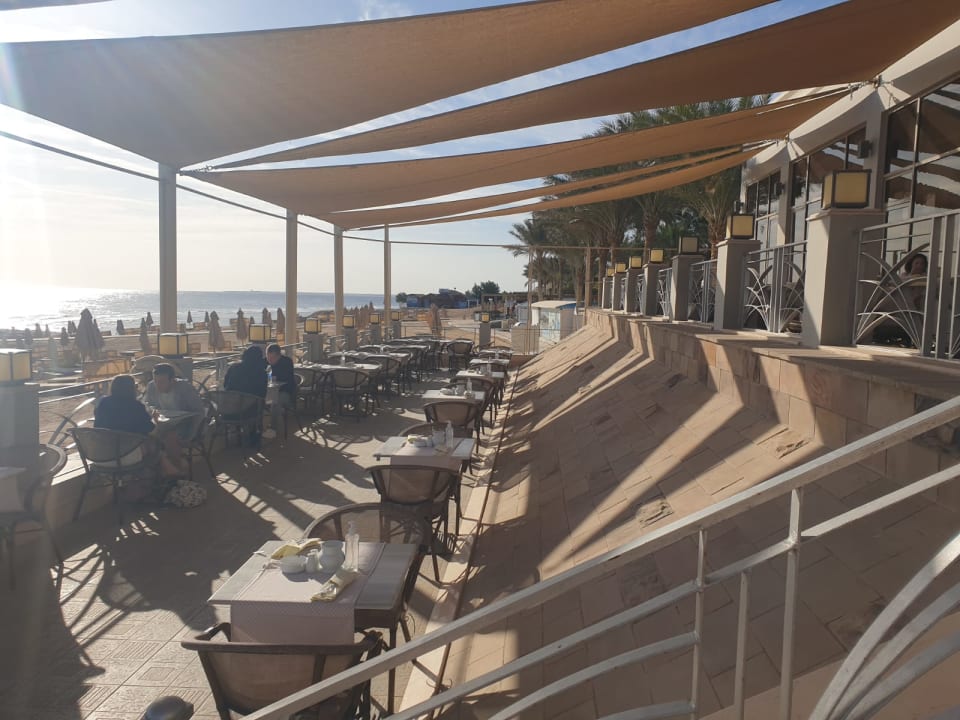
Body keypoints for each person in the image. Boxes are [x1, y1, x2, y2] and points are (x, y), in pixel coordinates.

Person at [94, 375, 205, 506]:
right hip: (123, 457)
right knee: (155, 443)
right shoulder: (135, 406)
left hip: (100, 456)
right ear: (131, 389)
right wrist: (156, 420)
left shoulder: (103, 403)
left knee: (150, 444)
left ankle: (167, 471)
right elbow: (151, 432)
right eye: (135, 387)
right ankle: (169, 472)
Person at [265, 343, 296, 438]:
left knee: (275, 401)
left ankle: (273, 429)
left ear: (279, 355)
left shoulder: (287, 362)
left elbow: (284, 380)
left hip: (286, 392)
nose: (270, 360)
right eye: (268, 357)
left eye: (272, 358)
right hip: (271, 391)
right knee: (257, 399)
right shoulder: (266, 362)